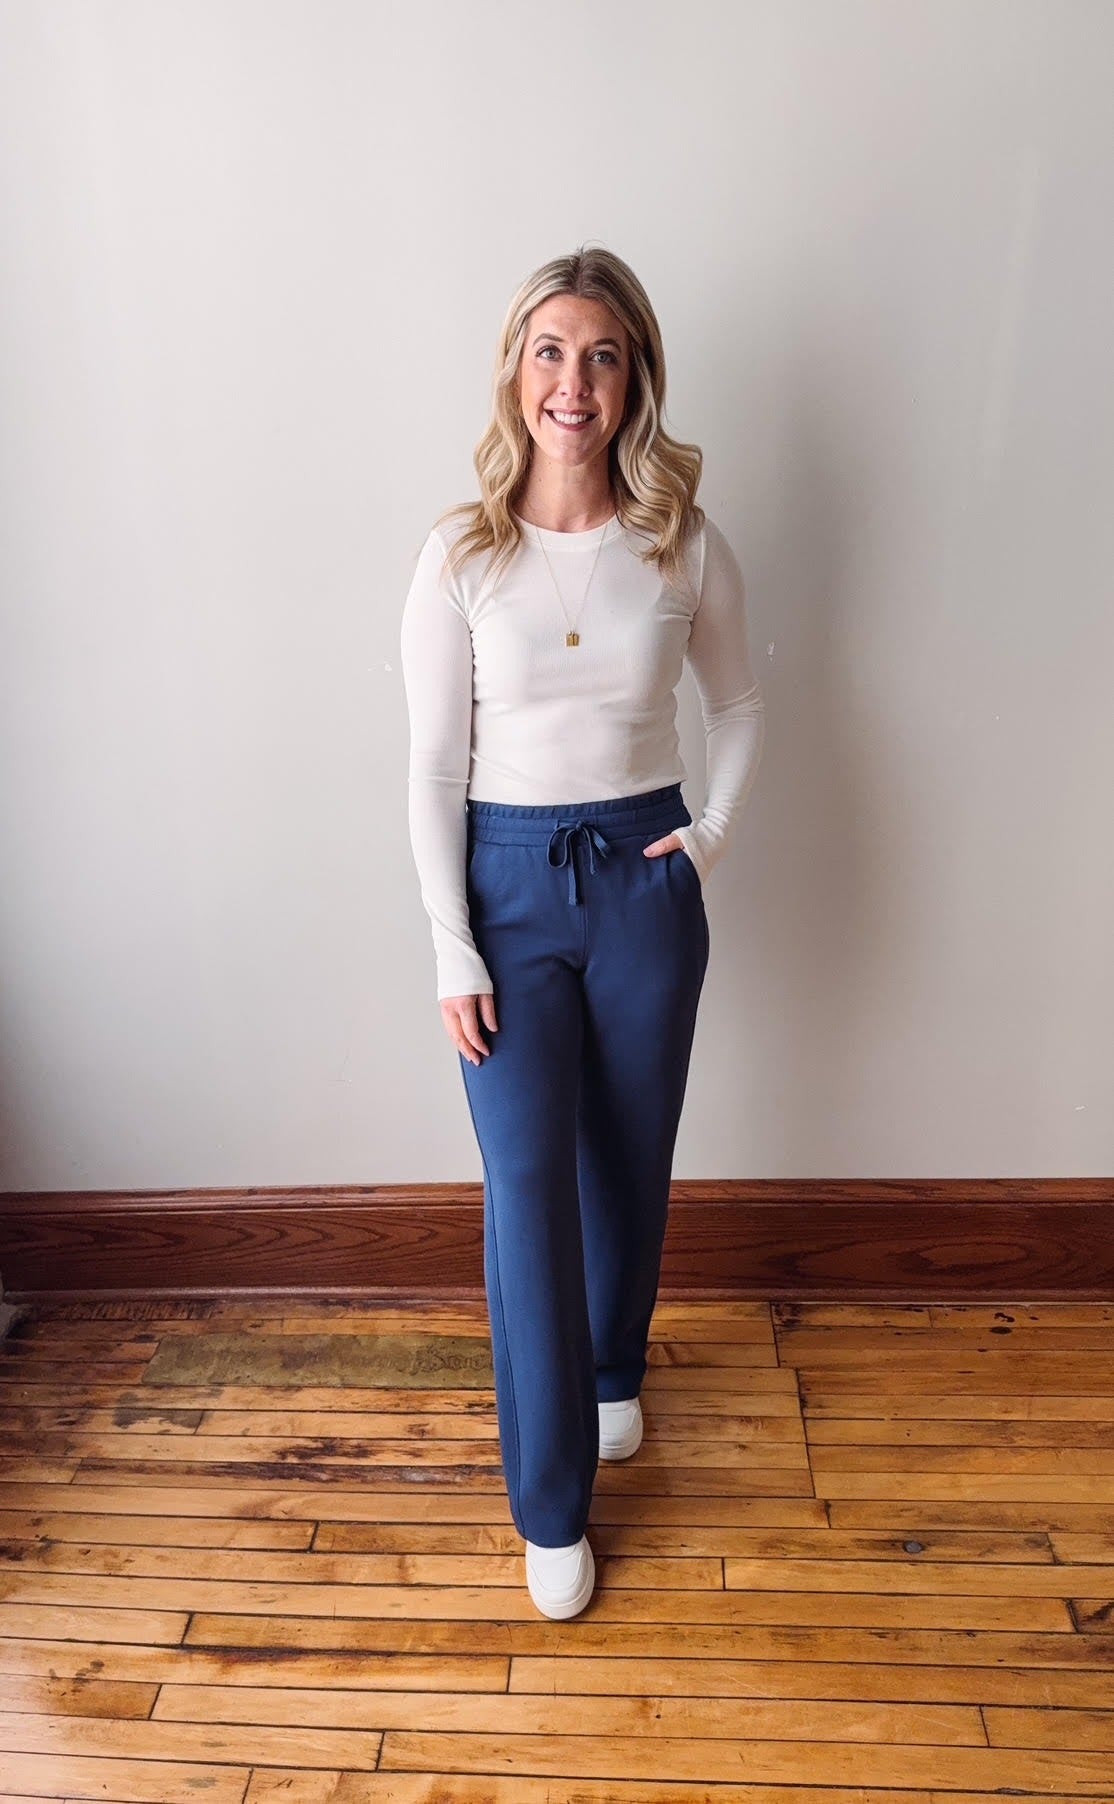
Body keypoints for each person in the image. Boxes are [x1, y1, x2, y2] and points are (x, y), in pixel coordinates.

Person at [400, 245, 765, 1620]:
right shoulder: (460, 553)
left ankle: (617, 1369)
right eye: (550, 350)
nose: (573, 381)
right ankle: (550, 1505)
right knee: (525, 1192)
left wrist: (708, 841)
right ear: (517, 372)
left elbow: (737, 705)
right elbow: (434, 766)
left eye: (601, 355)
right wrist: (452, 943)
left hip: (642, 877)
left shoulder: (678, 537)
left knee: (628, 1155)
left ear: (633, 381)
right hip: (502, 886)